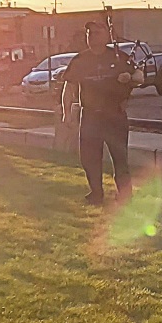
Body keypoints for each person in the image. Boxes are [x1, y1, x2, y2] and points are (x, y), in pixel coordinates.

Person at [61, 21, 139, 204]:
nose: (92, 36)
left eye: (96, 33)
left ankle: (125, 195)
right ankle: (96, 193)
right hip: (91, 116)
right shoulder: (80, 60)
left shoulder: (119, 57)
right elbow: (69, 87)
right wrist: (67, 112)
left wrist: (130, 78)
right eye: (89, 33)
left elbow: (139, 76)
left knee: (120, 158)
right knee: (89, 158)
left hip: (115, 115)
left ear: (106, 36)